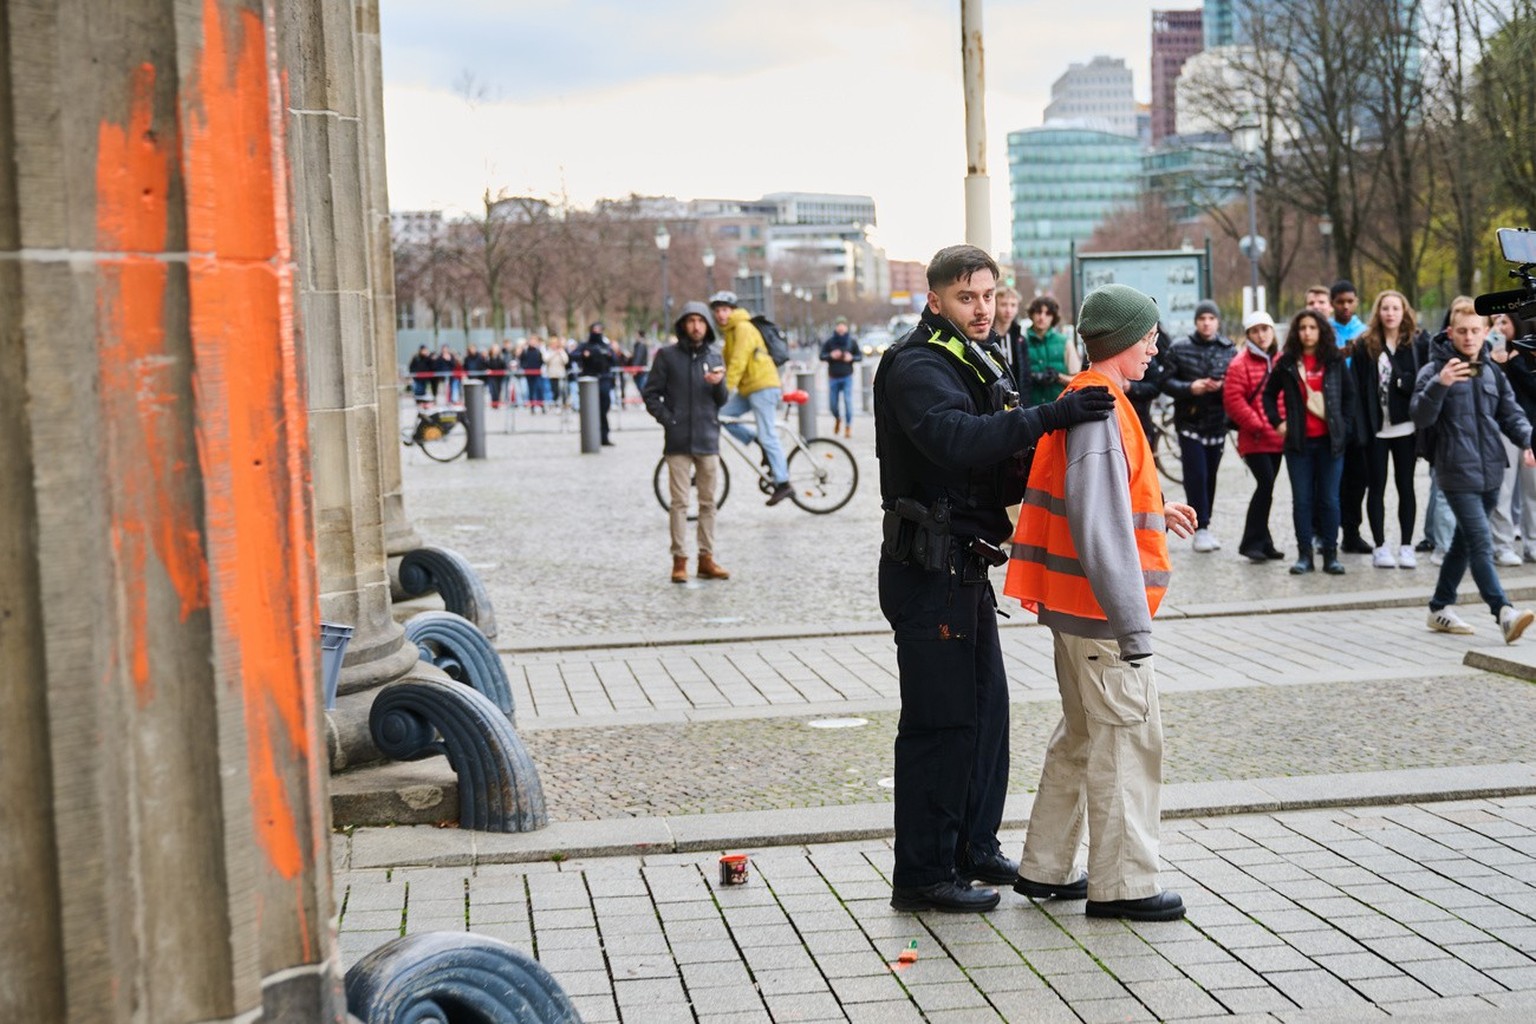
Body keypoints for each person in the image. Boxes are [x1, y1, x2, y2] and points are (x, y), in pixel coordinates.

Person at [874, 245, 1116, 914]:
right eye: (965, 298)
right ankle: (922, 875)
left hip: (964, 568)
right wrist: (1050, 417)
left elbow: (998, 450)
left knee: (985, 719)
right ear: (935, 301)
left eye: (986, 295)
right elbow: (957, 439)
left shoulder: (976, 355)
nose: (980, 309)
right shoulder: (917, 365)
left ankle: (973, 846)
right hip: (928, 571)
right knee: (940, 724)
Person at [1005, 283, 1197, 923]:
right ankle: (1124, 886)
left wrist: (1154, 509)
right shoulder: (1102, 407)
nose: (1156, 344)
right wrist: (1132, 625)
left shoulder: (1089, 399)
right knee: (1128, 740)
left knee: (1084, 735)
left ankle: (1045, 867)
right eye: (1148, 335)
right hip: (1104, 614)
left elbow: (1100, 502)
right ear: (1121, 341)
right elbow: (1098, 524)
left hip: (1076, 610)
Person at [1412, 306, 1536, 641]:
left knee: (1463, 543)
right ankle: (1504, 612)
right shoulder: (1434, 370)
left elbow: (1511, 414)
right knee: (1481, 542)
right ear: (1450, 332)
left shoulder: (1493, 372)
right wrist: (1440, 385)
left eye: (1474, 331)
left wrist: (1528, 441)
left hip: (1492, 470)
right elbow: (1420, 417)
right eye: (1462, 331)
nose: (1469, 337)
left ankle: (1439, 607)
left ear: (1485, 332)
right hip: (1454, 471)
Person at [643, 302, 731, 583]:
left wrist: (719, 384)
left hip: (708, 437)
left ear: (707, 326)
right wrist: (669, 419)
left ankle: (706, 558)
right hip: (678, 440)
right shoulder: (667, 356)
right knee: (679, 503)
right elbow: (651, 394)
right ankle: (679, 559)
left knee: (708, 503)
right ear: (683, 324)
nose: (696, 326)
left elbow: (722, 401)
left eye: (701, 321)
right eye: (691, 321)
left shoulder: (715, 355)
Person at [1266, 310, 1356, 575]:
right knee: (1302, 501)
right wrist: (1278, 423)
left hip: (1331, 444)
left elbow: (1349, 397)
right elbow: (1269, 396)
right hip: (1299, 445)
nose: (1307, 332)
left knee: (1329, 499)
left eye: (1312, 328)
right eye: (1303, 327)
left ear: (1321, 331)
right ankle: (1304, 555)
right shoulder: (1287, 362)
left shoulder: (1334, 360)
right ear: (1296, 331)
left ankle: (1331, 554)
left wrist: (1345, 427)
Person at [1353, 291, 1424, 568]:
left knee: (1406, 486)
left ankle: (1406, 546)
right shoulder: (1365, 345)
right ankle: (1380, 546)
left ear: (1403, 311)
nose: (1390, 313)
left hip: (1406, 427)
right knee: (1377, 488)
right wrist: (1360, 429)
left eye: (1395, 308)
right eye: (1385, 308)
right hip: (1376, 428)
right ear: (1378, 312)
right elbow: (1357, 388)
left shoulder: (1415, 343)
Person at [1161, 299, 1235, 552]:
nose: (1206, 322)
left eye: (1211, 318)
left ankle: (1206, 525)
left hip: (1216, 422)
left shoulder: (1229, 349)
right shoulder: (1179, 348)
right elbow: (1165, 382)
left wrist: (1222, 386)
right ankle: (1199, 527)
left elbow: (1236, 382)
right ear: (1196, 321)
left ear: (1217, 321)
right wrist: (1190, 388)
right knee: (1196, 475)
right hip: (1189, 421)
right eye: (1202, 318)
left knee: (1211, 476)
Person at [710, 291, 793, 506]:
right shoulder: (730, 332)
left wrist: (724, 390)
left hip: (763, 386)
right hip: (749, 388)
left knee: (768, 435)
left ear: (733, 310)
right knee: (721, 415)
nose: (721, 315)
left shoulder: (743, 328)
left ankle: (783, 483)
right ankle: (756, 440)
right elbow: (730, 364)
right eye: (717, 311)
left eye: (725, 310)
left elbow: (738, 361)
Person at [1224, 311, 1287, 562]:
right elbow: (1233, 400)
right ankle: (1250, 542)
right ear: (1248, 335)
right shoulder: (1239, 364)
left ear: (1273, 332)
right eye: (1255, 331)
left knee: (1268, 489)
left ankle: (1264, 541)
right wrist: (1258, 424)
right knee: (1265, 485)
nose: (1261, 335)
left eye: (1265, 329)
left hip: (1279, 437)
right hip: (1256, 438)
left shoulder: (1282, 360)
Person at [1496, 312, 1536, 562]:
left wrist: (1515, 363)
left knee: (1532, 489)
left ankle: (1532, 543)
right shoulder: (1493, 356)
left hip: (1530, 427)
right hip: (1504, 429)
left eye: (1504, 322)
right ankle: (1503, 544)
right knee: (1504, 489)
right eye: (1495, 322)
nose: (1499, 327)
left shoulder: (1526, 356)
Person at [1020, 296, 1080, 407]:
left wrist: (1058, 377)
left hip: (1060, 408)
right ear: (1032, 314)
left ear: (1053, 317)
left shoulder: (1065, 342)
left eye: (1047, 313)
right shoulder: (1021, 342)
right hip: (1031, 411)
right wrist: (1030, 377)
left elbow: (1077, 381)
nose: (1042, 317)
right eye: (1038, 312)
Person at [820, 318, 862, 438]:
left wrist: (851, 358)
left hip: (847, 376)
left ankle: (848, 426)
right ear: (835, 327)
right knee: (833, 405)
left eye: (843, 325)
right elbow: (821, 356)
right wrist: (831, 355)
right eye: (839, 325)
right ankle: (838, 418)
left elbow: (859, 356)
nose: (841, 327)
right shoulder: (830, 342)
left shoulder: (851, 342)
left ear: (846, 327)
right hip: (833, 377)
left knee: (848, 402)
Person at [576, 323, 617, 445]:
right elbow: (573, 355)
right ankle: (592, 436)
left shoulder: (605, 346)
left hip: (604, 380)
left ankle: (604, 436)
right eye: (595, 329)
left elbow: (615, 360)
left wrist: (609, 355)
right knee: (591, 410)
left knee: (604, 409)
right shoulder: (585, 345)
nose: (597, 332)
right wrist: (584, 355)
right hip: (590, 381)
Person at [994, 285, 1029, 390]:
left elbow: (1025, 377)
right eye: (1003, 304)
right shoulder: (985, 338)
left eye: (1013, 305)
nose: (1008, 310)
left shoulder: (1020, 340)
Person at [519, 336, 548, 412]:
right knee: (531, 390)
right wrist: (525, 367)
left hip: (537, 373)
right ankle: (532, 407)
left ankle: (541, 406)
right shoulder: (525, 351)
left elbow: (542, 361)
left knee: (539, 389)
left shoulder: (538, 351)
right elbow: (521, 361)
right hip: (529, 374)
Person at [545, 335, 569, 408]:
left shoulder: (561, 351)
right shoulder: (548, 351)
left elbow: (566, 360)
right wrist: (554, 353)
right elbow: (546, 360)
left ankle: (564, 403)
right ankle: (556, 404)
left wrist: (560, 353)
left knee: (563, 389)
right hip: (552, 374)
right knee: (555, 390)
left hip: (561, 374)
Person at [485, 344, 509, 408]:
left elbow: (504, 366)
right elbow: (486, 366)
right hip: (491, 377)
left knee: (498, 390)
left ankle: (497, 403)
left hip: (499, 377)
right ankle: (494, 403)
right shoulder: (489, 358)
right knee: (492, 390)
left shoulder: (500, 358)